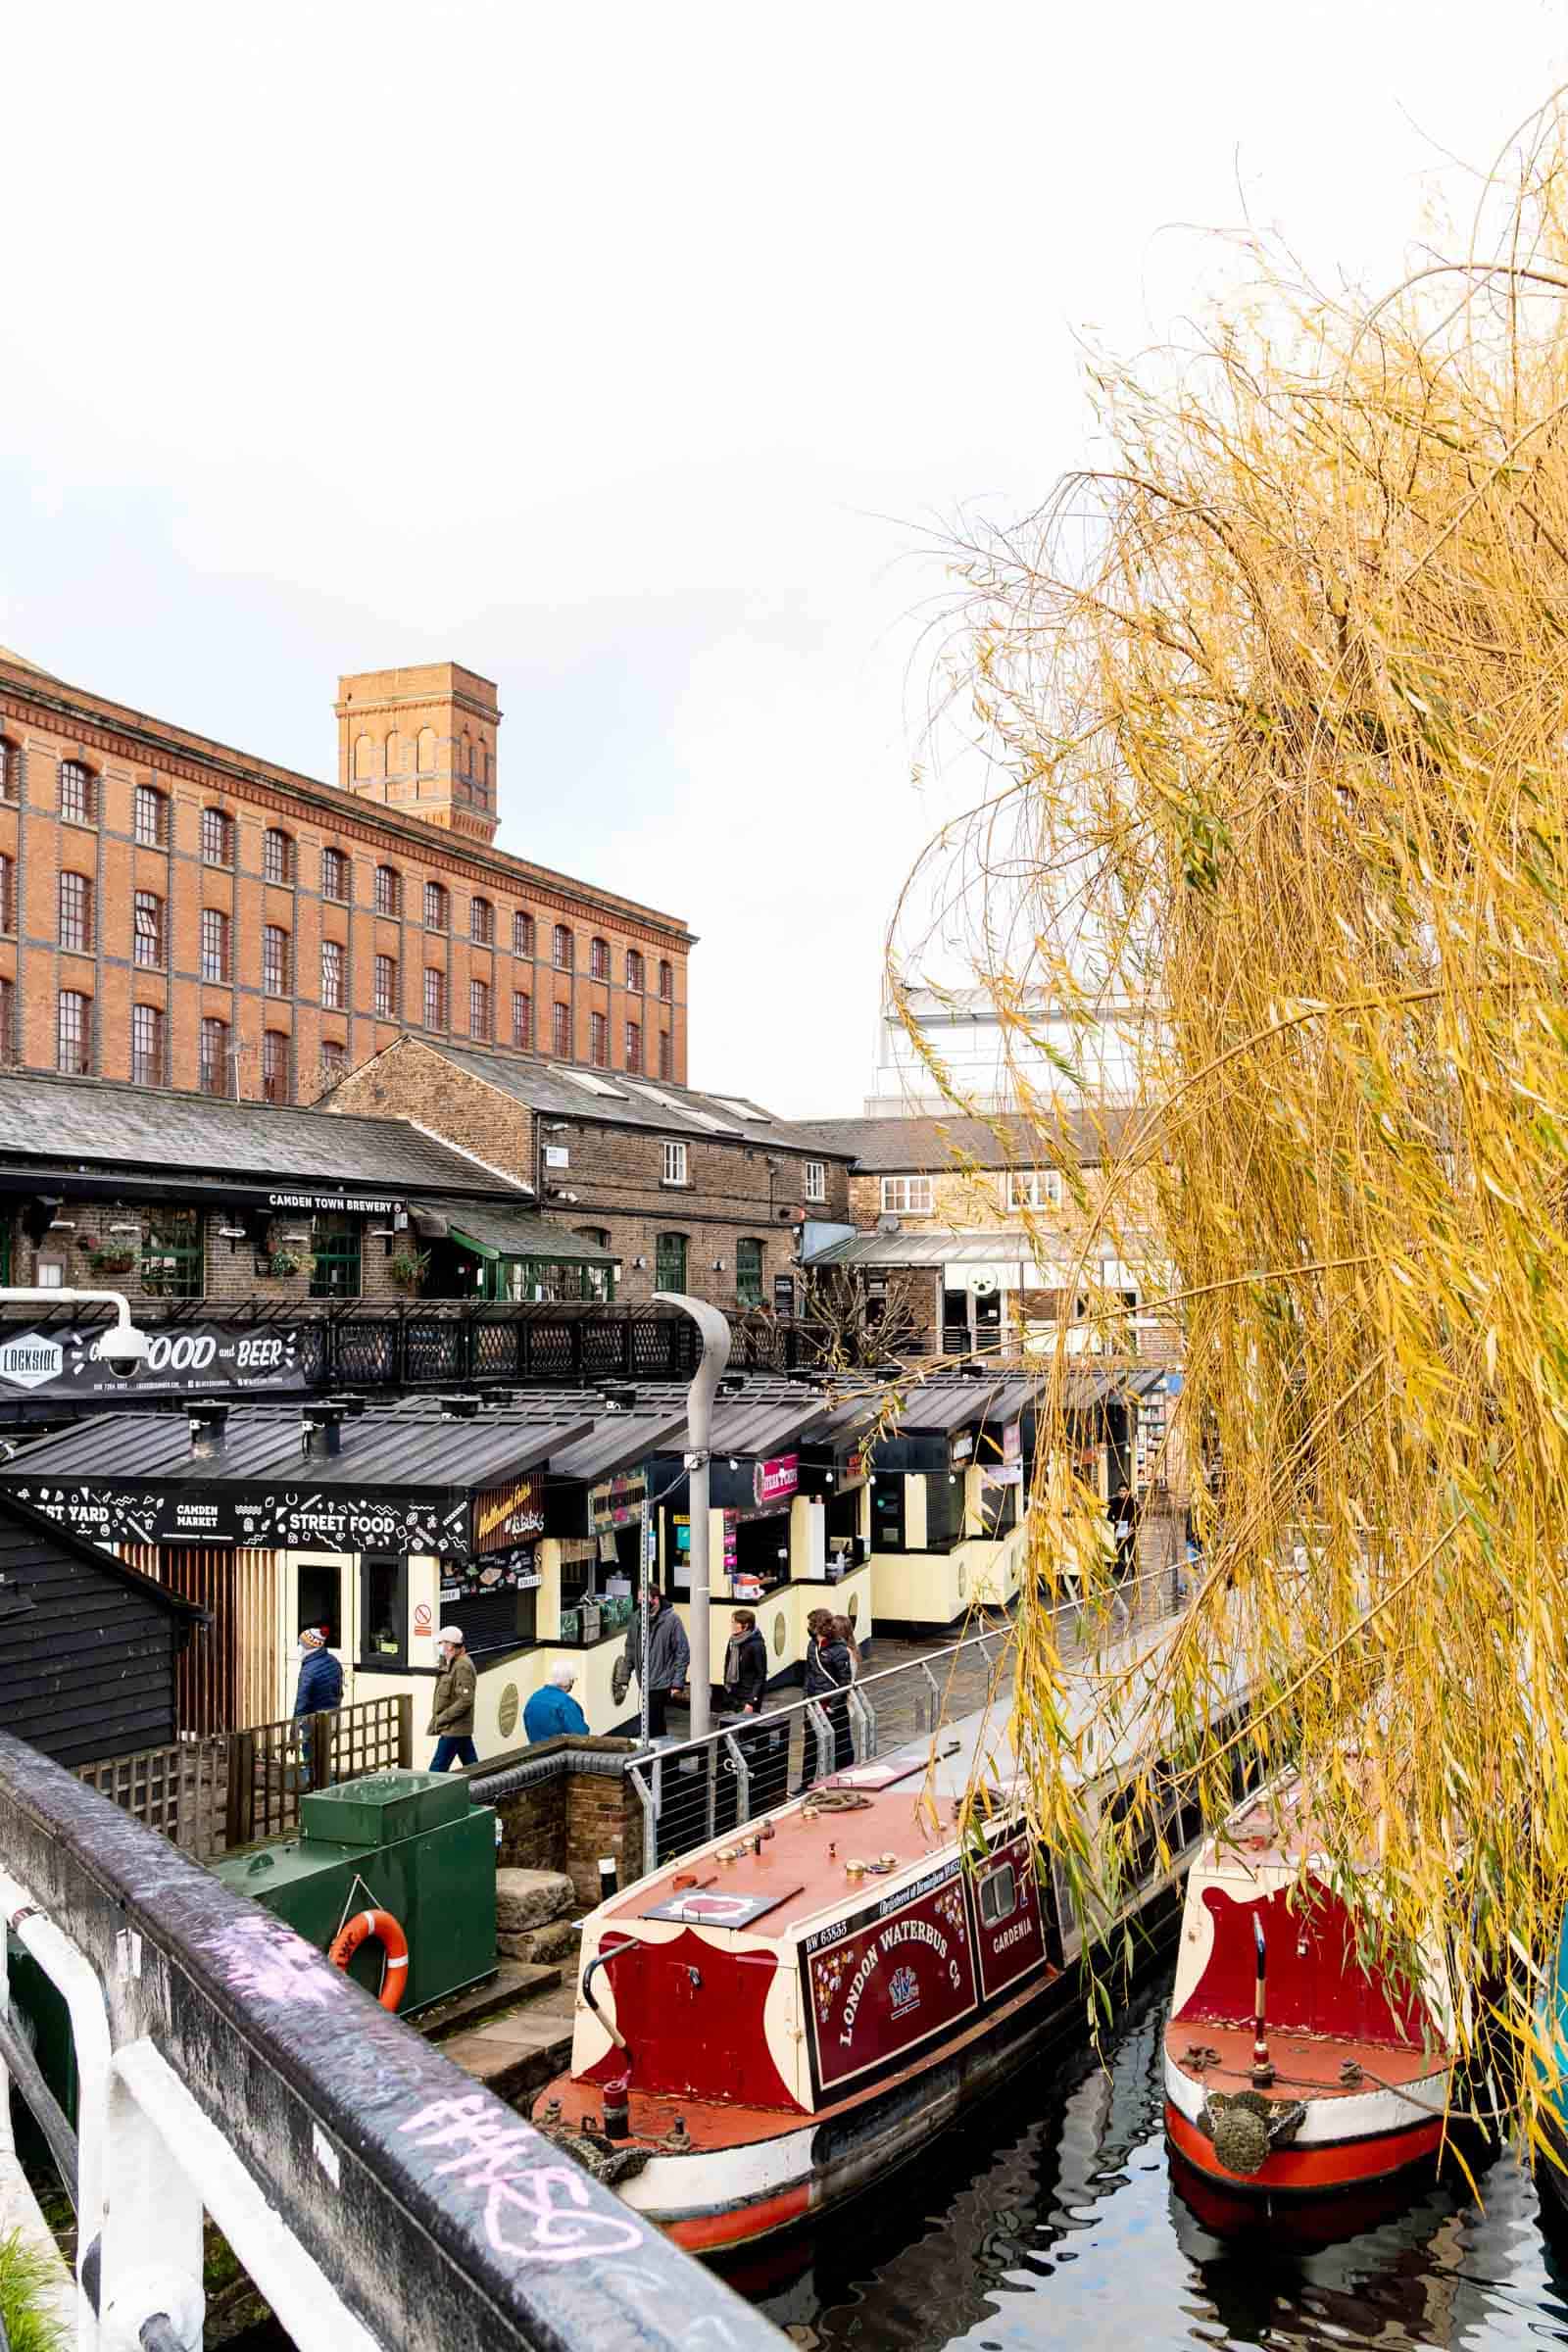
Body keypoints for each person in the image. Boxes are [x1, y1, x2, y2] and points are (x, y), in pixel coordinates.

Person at [621, 1585, 689, 1738]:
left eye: (644, 1601)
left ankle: (660, 1758)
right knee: (654, 1725)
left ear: (656, 1599)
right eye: (639, 1601)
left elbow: (682, 1652)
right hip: (644, 1681)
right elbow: (630, 1648)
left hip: (661, 1681)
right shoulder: (636, 1618)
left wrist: (677, 1683)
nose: (641, 1605)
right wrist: (624, 1677)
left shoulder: (672, 1620)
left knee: (653, 1723)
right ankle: (661, 1757)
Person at [802, 1612, 855, 1783]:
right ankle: (806, 1783)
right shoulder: (812, 1646)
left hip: (832, 1706)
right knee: (810, 1746)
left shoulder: (839, 1650)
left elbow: (845, 1681)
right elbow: (809, 1675)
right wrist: (806, 1701)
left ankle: (842, 1778)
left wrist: (833, 1704)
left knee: (841, 1742)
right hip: (814, 1703)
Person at [292, 1627, 342, 1789]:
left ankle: (316, 1786)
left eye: (301, 1644)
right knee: (324, 1753)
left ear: (309, 1646)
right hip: (333, 1714)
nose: (299, 1647)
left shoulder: (309, 1670)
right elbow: (339, 1691)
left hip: (314, 1719)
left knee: (310, 1755)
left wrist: (295, 1724)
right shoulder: (333, 1661)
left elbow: (302, 1700)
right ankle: (326, 1785)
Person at [428, 1624, 478, 1771]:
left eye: (442, 1643)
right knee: (473, 1767)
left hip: (453, 1729)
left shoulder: (462, 1666)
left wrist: (442, 1718)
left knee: (436, 1771)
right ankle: (485, 1788)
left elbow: (465, 1700)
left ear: (450, 1645)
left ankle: (429, 1794)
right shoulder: (454, 1663)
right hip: (458, 1729)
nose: (440, 1647)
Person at [523, 1662, 590, 1743]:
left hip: (536, 1751)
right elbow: (581, 1735)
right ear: (570, 1681)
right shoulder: (566, 1703)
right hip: (558, 1753)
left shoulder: (534, 1698)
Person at [723, 1609, 768, 1714]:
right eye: (732, 1622)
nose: (732, 1625)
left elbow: (760, 1676)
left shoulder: (757, 1645)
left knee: (748, 1729)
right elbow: (727, 1664)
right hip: (734, 1693)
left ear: (746, 1625)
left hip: (748, 1695)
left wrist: (751, 1702)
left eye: (735, 1623)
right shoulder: (733, 1641)